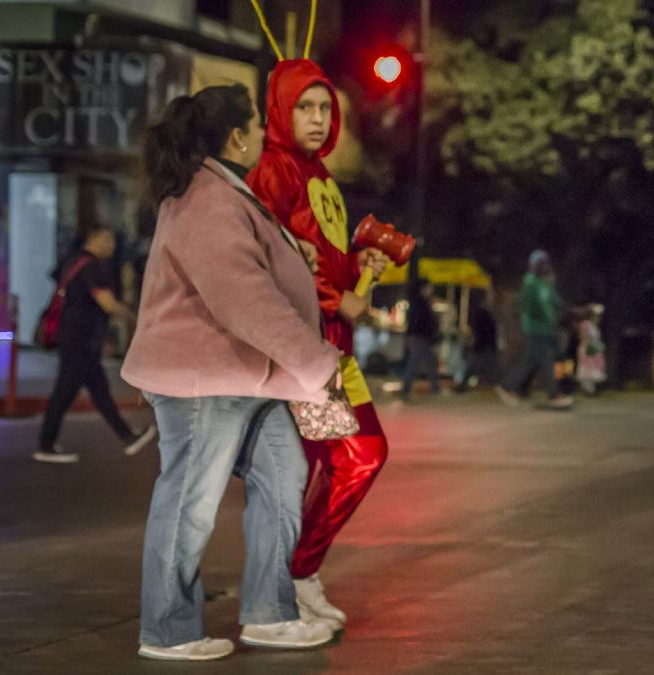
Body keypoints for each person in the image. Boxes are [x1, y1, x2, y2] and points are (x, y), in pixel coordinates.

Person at [123, 84, 339, 661]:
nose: (267, 134)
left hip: (247, 378)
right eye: (258, 125)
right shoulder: (208, 199)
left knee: (284, 479)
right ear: (237, 136)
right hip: (205, 380)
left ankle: (270, 615)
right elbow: (245, 299)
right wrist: (315, 363)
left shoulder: (221, 192)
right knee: (190, 501)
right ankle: (167, 631)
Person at [247, 58, 390, 631]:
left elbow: (320, 255)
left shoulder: (319, 175)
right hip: (306, 346)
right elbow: (265, 255)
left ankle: (299, 574)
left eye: (325, 108)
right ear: (279, 110)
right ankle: (291, 581)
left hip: (334, 346)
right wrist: (335, 299)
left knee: (359, 454)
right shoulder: (273, 170)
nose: (317, 118)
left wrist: (358, 265)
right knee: (330, 463)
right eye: (304, 106)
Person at [34, 225, 155, 464]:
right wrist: (137, 318)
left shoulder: (74, 262)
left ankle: (127, 436)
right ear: (93, 239)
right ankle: (46, 445)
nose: (111, 246)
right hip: (80, 340)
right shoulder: (91, 267)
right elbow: (107, 303)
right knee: (65, 393)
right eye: (107, 240)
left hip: (77, 339)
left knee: (99, 391)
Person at [495, 250, 574, 409]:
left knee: (531, 362)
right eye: (540, 263)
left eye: (545, 262)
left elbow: (556, 303)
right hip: (536, 329)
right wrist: (543, 316)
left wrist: (574, 311)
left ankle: (507, 387)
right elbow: (526, 305)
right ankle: (554, 395)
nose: (544, 266)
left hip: (545, 330)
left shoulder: (545, 284)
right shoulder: (531, 284)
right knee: (545, 362)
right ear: (533, 265)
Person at [401, 280, 441, 401]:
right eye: (429, 287)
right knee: (416, 363)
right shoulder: (420, 303)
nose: (431, 290)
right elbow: (419, 322)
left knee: (428, 363)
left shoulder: (420, 302)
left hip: (421, 337)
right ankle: (406, 389)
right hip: (419, 337)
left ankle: (435, 388)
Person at [457, 291, 500, 391]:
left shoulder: (481, 312)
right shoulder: (482, 312)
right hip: (483, 345)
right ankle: (502, 386)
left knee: (476, 367)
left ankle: (462, 386)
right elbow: (481, 330)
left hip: (482, 345)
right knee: (490, 367)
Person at [576, 304, 607, 395]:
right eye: (596, 315)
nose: (598, 318)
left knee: (594, 368)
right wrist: (588, 348)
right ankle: (588, 389)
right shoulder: (585, 324)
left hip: (595, 349)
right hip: (588, 349)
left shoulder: (595, 326)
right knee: (587, 369)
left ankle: (590, 389)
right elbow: (584, 338)